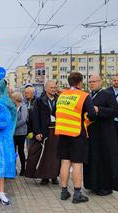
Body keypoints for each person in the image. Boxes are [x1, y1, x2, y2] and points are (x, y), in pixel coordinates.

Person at [55, 72, 97, 203]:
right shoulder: (84, 95)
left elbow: (55, 112)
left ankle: (64, 191)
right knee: (77, 164)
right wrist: (86, 119)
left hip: (62, 133)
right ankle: (77, 194)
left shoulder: (62, 95)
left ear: (69, 82)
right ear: (80, 82)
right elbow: (92, 115)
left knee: (65, 162)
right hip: (77, 134)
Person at [84, 75, 118, 196]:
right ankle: (93, 185)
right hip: (92, 132)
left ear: (100, 82)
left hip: (105, 133)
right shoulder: (88, 95)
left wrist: (99, 109)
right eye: (90, 82)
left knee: (104, 159)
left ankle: (105, 186)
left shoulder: (107, 94)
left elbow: (115, 111)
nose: (92, 83)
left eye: (94, 81)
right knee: (93, 159)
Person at [31, 80, 60, 185]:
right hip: (45, 130)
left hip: (57, 131)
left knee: (56, 155)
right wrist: (37, 132)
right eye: (51, 88)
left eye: (55, 87)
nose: (54, 89)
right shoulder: (39, 100)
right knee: (45, 155)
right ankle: (44, 176)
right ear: (46, 88)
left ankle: (54, 176)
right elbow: (35, 117)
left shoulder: (59, 99)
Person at [11, 92, 28, 176]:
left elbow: (23, 120)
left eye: (12, 98)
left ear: (15, 99)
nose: (11, 100)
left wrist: (13, 125)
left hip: (21, 133)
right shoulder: (13, 107)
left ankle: (23, 169)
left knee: (21, 151)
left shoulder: (23, 107)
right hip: (13, 134)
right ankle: (13, 169)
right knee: (13, 151)